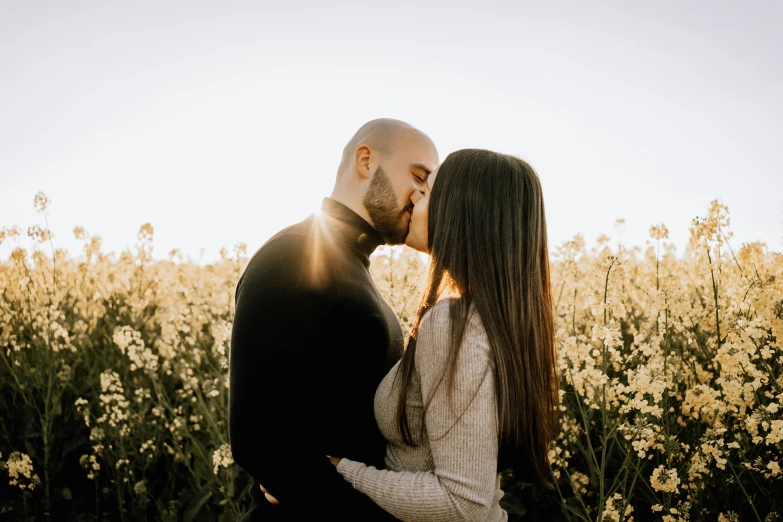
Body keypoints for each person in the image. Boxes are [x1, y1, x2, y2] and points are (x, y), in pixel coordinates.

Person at [265, 149, 560, 520]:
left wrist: (336, 471)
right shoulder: (502, 322)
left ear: (461, 211)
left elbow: (463, 503)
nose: (412, 197)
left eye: (426, 192)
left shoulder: (454, 324)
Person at [228, 118, 439, 520]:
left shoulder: (353, 265)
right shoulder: (293, 257)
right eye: (418, 176)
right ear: (365, 160)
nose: (422, 195)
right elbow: (259, 438)